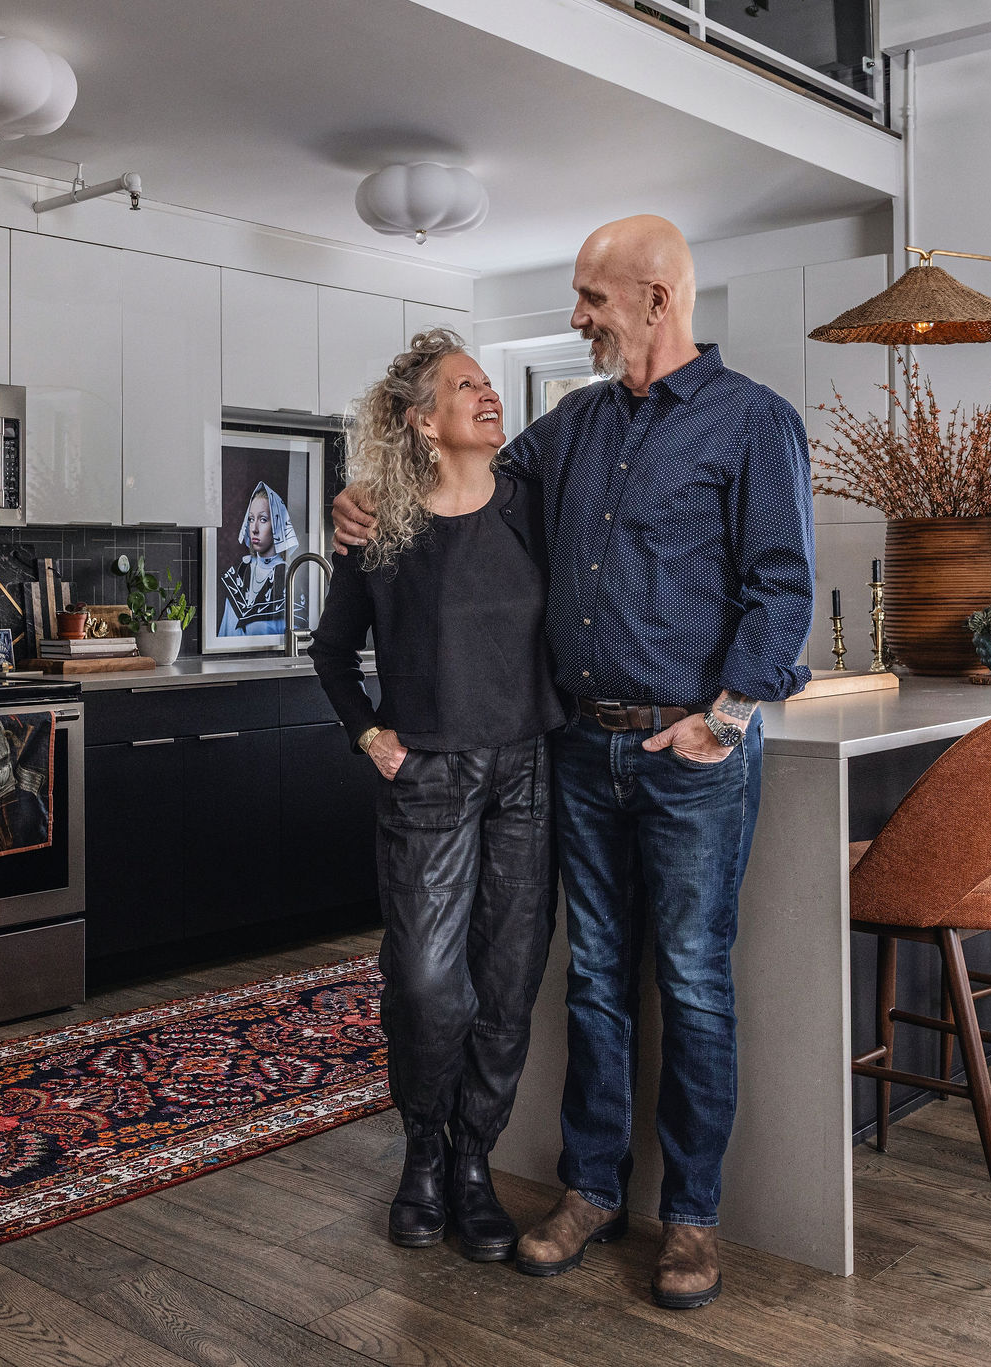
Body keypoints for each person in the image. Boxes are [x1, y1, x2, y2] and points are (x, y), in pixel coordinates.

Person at [333, 217, 815, 1308]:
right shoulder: (573, 425)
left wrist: (725, 717)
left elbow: (781, 587)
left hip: (690, 753)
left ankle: (691, 1218)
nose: (578, 316)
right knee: (594, 979)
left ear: (656, 299)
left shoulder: (753, 422)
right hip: (578, 750)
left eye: (592, 297)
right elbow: (454, 484)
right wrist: (364, 497)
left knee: (691, 983)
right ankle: (591, 1190)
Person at [309, 330, 566, 1262]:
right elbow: (331, 652)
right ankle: (422, 1147)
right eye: (466, 386)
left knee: (507, 982)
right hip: (428, 783)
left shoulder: (533, 505)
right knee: (424, 983)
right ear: (423, 421)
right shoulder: (381, 528)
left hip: (527, 771)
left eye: (490, 383)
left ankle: (470, 1162)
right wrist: (367, 732)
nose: (489, 395)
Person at [219, 481, 301, 636]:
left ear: (277, 526)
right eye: (251, 519)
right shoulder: (239, 571)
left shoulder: (287, 578)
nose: (254, 529)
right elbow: (224, 632)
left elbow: (296, 636)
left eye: (263, 519)